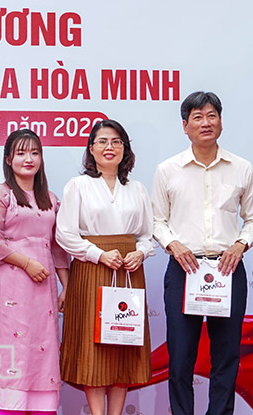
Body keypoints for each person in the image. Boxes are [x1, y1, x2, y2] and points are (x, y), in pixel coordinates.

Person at [152, 91, 253, 415]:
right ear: (185, 126)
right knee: (180, 358)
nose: (206, 122)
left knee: (226, 357)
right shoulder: (168, 169)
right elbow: (157, 220)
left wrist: (240, 245)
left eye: (212, 115)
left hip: (227, 270)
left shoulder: (242, 168)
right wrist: (173, 245)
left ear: (221, 123)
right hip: (184, 270)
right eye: (198, 117)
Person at [54, 120, 154, 415]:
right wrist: (98, 254)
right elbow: (65, 234)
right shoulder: (78, 186)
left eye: (116, 141)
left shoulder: (137, 189)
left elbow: (147, 236)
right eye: (102, 141)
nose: (109, 147)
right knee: (93, 349)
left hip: (128, 272)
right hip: (92, 270)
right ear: (91, 149)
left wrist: (140, 253)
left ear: (125, 148)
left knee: (123, 342)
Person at [0, 129, 70, 415]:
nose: (28, 159)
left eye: (34, 152)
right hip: (11, 285)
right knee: (11, 347)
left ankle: (42, 405)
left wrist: (66, 286)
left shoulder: (51, 199)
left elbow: (58, 247)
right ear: (8, 159)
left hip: (43, 290)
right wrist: (27, 264)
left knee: (43, 346)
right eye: (20, 153)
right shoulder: (0, 195)